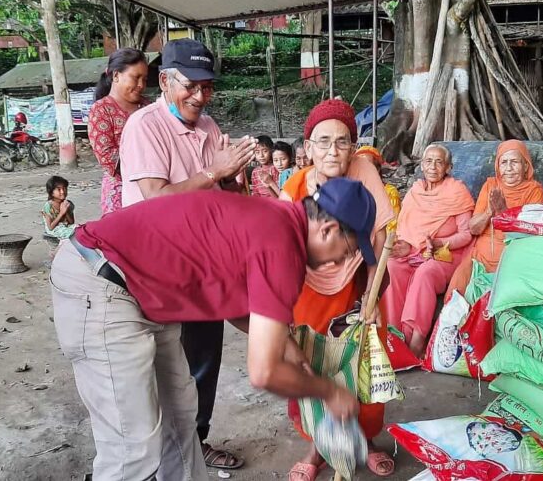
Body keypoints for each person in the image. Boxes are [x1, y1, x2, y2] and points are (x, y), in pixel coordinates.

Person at [51, 178, 373, 481]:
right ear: (329, 230)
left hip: (140, 290)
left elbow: (232, 301)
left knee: (179, 418)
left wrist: (286, 343)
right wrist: (330, 392)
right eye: (347, 252)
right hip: (100, 280)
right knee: (132, 445)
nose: (341, 262)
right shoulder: (283, 247)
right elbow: (263, 373)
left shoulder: (276, 220)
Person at [117, 38, 255, 470]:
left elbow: (224, 196)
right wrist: (214, 170)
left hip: (199, 262)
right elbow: (156, 200)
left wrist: (232, 178)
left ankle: (196, 441)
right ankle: (157, 455)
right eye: (190, 86)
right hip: (152, 266)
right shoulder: (144, 126)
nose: (200, 96)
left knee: (203, 358)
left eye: (207, 87)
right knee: (159, 365)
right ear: (164, 82)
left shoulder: (210, 128)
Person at [279, 99, 397, 480]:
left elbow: (378, 238)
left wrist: (373, 296)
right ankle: (317, 448)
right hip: (306, 288)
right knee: (313, 365)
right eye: (323, 141)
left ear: (353, 145)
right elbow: (281, 254)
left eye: (343, 141)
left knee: (364, 364)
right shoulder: (294, 188)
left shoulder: (364, 170)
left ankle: (366, 439)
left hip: (358, 281)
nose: (333, 150)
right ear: (308, 148)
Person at [381, 144, 474, 356]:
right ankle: (394, 335)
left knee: (425, 273)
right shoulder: (415, 191)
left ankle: (416, 341)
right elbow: (405, 228)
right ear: (422, 165)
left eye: (439, 162)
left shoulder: (456, 191)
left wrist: (439, 242)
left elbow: (466, 234)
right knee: (392, 266)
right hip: (413, 252)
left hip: (446, 254)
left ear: (448, 167)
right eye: (428, 161)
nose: (433, 166)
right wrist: (405, 244)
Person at [447, 140, 543, 296]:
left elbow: (529, 233)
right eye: (504, 163)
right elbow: (474, 228)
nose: (509, 168)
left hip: (513, 255)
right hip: (480, 255)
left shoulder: (534, 190)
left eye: (515, 162)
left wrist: (503, 211)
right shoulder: (490, 185)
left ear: (526, 166)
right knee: (456, 290)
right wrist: (490, 211)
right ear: (498, 167)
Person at [88, 48, 151, 214]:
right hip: (120, 193)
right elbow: (108, 158)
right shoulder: (101, 110)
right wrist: (151, 164)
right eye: (136, 78)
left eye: (144, 79)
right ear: (116, 76)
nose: (141, 85)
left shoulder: (148, 107)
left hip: (155, 189)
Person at [354, 145, 401, 233]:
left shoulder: (390, 193)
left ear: (378, 169)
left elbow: (392, 228)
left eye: (367, 165)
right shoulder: (352, 191)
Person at [42, 175, 77, 240]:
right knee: (74, 233)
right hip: (54, 230)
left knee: (80, 228)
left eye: (64, 188)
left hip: (65, 227)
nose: (62, 192)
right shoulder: (48, 206)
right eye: (59, 189)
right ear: (51, 192)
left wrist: (66, 211)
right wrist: (61, 213)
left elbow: (71, 222)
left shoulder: (68, 204)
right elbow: (50, 227)